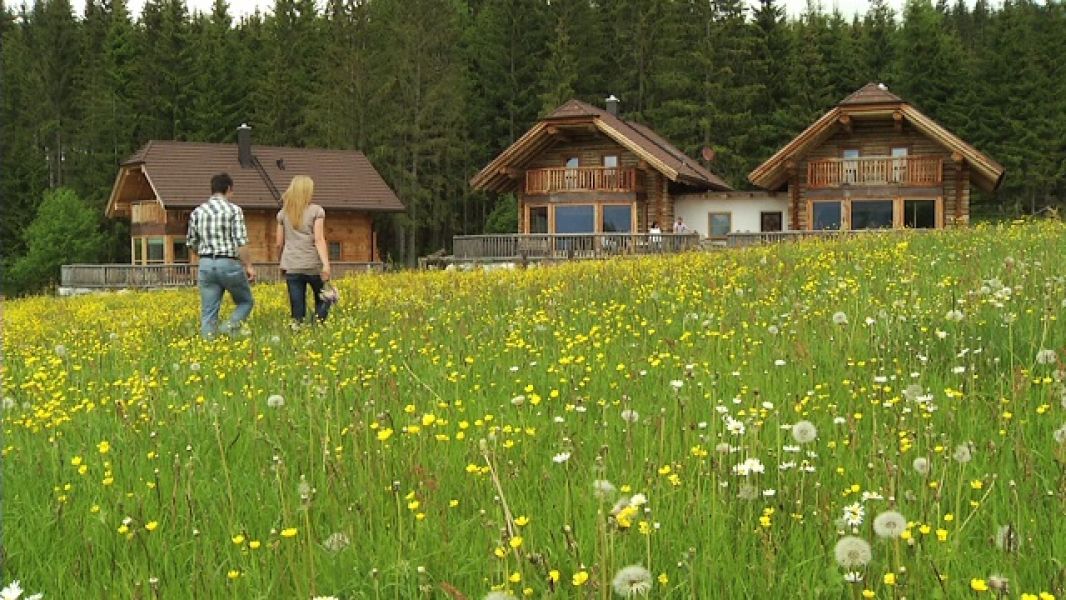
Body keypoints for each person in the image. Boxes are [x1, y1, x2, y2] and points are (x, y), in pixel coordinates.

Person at [187, 173, 256, 337]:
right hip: (228, 263)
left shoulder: (197, 212)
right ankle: (228, 329)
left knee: (209, 312)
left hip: (205, 263)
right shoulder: (234, 210)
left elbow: (191, 242)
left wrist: (204, 255)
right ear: (228, 189)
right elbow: (241, 241)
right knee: (245, 301)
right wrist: (248, 266)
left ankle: (208, 347)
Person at [275, 175, 333, 323]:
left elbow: (279, 243)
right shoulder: (316, 211)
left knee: (297, 308)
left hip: (292, 265)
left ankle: (297, 331)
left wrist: (281, 262)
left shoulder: (283, 213)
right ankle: (318, 325)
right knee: (323, 298)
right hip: (312, 265)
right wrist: (326, 265)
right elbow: (319, 239)